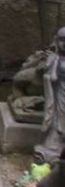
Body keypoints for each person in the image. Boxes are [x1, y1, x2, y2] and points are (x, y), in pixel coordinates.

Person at [36, 27, 65, 164]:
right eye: (62, 41)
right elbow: (49, 76)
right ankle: (52, 145)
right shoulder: (54, 58)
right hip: (57, 93)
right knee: (55, 119)